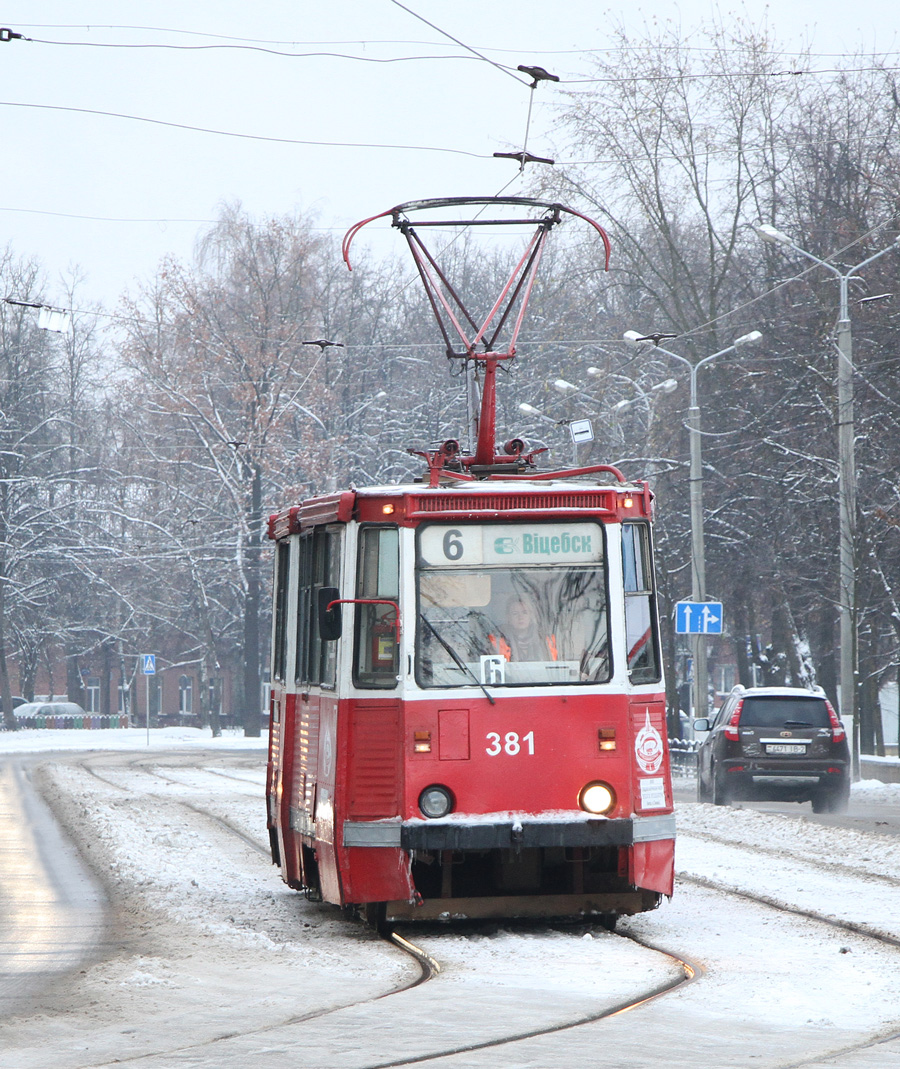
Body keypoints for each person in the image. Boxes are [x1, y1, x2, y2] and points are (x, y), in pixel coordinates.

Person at [489, 596, 558, 662]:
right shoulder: (498, 640)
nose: (520, 617)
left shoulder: (546, 639)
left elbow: (554, 667)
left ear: (530, 615)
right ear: (508, 617)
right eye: (515, 613)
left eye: (524, 612)